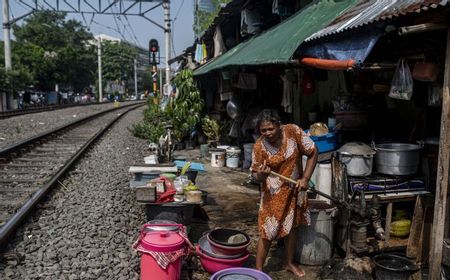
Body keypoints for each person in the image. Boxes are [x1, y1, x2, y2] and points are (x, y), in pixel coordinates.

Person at [251, 109, 318, 278]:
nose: (267, 133)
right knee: (268, 231)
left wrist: (305, 178)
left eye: (270, 129)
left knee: (293, 227)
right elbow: (255, 175)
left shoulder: (293, 131)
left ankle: (288, 262)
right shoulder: (259, 146)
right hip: (272, 196)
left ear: (279, 125)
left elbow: (313, 152)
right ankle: (258, 272)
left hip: (295, 190)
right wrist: (262, 174)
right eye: (263, 130)